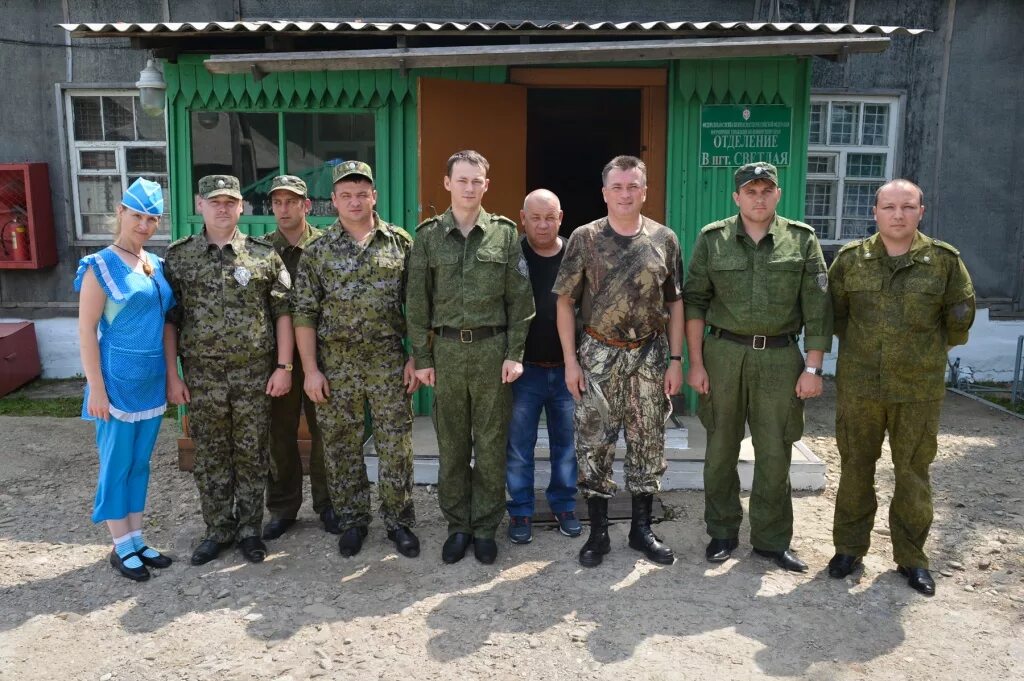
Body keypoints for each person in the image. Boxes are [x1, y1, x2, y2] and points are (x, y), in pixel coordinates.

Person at [827, 179, 975, 596]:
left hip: (918, 388)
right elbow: (836, 316)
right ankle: (849, 550)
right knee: (856, 467)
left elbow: (958, 320)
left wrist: (922, 352)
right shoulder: (852, 261)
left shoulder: (944, 262)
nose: (897, 215)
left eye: (907, 207)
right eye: (889, 207)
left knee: (912, 473)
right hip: (860, 387)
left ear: (920, 211)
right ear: (874, 212)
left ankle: (911, 558)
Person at [683, 162, 832, 573]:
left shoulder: (801, 240)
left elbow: (818, 310)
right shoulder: (713, 239)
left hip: (781, 359)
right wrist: (696, 363)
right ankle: (723, 532)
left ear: (778, 194)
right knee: (719, 451)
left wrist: (814, 368)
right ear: (737, 197)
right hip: (724, 355)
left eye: (767, 190)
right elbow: (694, 301)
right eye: (751, 191)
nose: (759, 197)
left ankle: (770, 540)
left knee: (775, 453)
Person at [553, 155, 685, 568]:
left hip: (650, 354)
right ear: (604, 192)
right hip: (598, 353)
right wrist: (570, 363)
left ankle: (641, 530)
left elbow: (676, 302)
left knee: (648, 441)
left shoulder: (665, 239)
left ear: (644, 191)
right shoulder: (584, 238)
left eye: (633, 187)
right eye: (617, 187)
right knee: (594, 443)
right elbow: (564, 301)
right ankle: (597, 534)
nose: (625, 194)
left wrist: (676, 359)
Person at [407, 150, 535, 565]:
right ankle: (457, 525)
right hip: (445, 352)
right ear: (447, 183)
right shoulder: (427, 236)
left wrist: (515, 353)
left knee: (493, 444)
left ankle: (485, 527)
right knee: (453, 444)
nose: (468, 187)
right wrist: (422, 357)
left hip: (491, 351)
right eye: (461, 180)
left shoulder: (505, 234)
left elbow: (521, 301)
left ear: (486, 185)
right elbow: (416, 303)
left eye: (476, 180)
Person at [291, 161, 421, 558]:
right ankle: (353, 520)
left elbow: (415, 306)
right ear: (333, 201)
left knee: (395, 444)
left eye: (362, 193)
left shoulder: (399, 243)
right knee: (341, 445)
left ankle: (399, 521)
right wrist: (311, 370)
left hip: (387, 360)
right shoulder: (318, 251)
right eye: (346, 195)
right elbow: (304, 313)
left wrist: (415, 357)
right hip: (336, 363)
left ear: (374, 196)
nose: (354, 201)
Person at [163, 175, 294, 566]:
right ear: (200, 205)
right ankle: (218, 529)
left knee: (253, 452)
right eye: (215, 201)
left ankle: (250, 530)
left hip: (254, 374)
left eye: (230, 202)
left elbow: (282, 314)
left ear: (241, 208)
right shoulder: (179, 256)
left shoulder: (263, 255)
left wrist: (284, 366)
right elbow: (171, 320)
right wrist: (173, 375)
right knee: (210, 454)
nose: (223, 208)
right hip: (202, 376)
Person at [75, 178, 175, 582]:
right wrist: (96, 388)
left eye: (152, 218)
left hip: (149, 380)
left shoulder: (154, 263)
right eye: (138, 216)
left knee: (139, 464)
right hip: (115, 380)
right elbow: (86, 331)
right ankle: (119, 546)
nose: (145, 225)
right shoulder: (100, 266)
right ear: (120, 212)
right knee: (116, 464)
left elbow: (167, 320)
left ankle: (135, 537)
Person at [260, 175, 337, 541]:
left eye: (292, 201)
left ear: (307, 206)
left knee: (327, 434)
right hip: (276, 362)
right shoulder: (260, 251)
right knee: (280, 435)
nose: (284, 208)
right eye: (278, 202)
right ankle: (283, 508)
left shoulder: (326, 247)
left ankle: (328, 505)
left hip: (324, 358)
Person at [506, 189, 581, 545]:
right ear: (522, 218)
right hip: (525, 371)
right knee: (520, 446)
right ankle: (520, 510)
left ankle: (564, 505)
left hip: (566, 368)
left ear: (561, 217)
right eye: (535, 217)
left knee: (565, 445)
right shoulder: (511, 256)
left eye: (549, 217)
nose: (542, 224)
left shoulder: (575, 255)